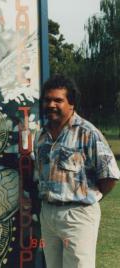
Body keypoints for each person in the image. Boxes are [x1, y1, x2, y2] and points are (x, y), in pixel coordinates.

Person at [33, 74, 119, 268]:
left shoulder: (88, 133)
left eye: (58, 100)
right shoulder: (41, 137)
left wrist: (85, 200)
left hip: (77, 216)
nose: (51, 104)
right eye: (47, 100)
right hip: (48, 214)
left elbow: (109, 176)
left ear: (71, 104)